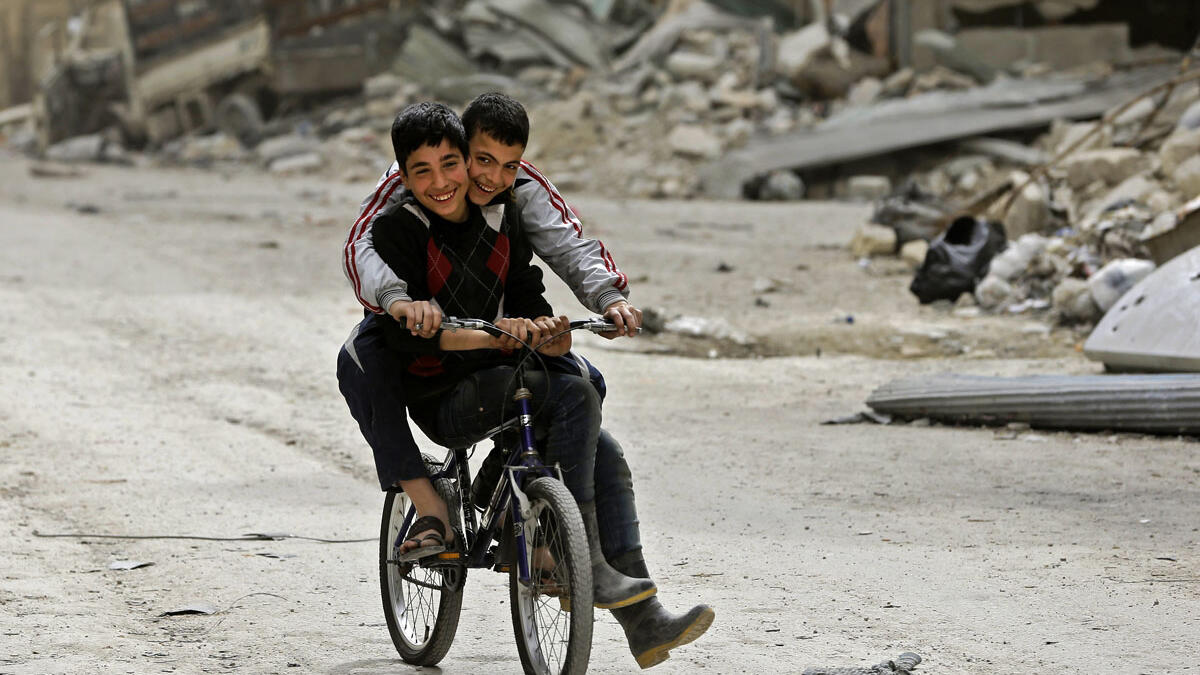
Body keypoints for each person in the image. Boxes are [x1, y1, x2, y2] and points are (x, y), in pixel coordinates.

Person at [337, 98, 712, 669]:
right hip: (427, 361)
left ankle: (640, 613)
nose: (477, 178)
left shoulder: (510, 208)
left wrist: (596, 305)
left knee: (593, 412)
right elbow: (363, 254)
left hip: (491, 365)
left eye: (501, 167)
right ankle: (437, 502)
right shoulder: (402, 210)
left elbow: (560, 250)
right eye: (476, 161)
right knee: (363, 357)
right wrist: (400, 301)